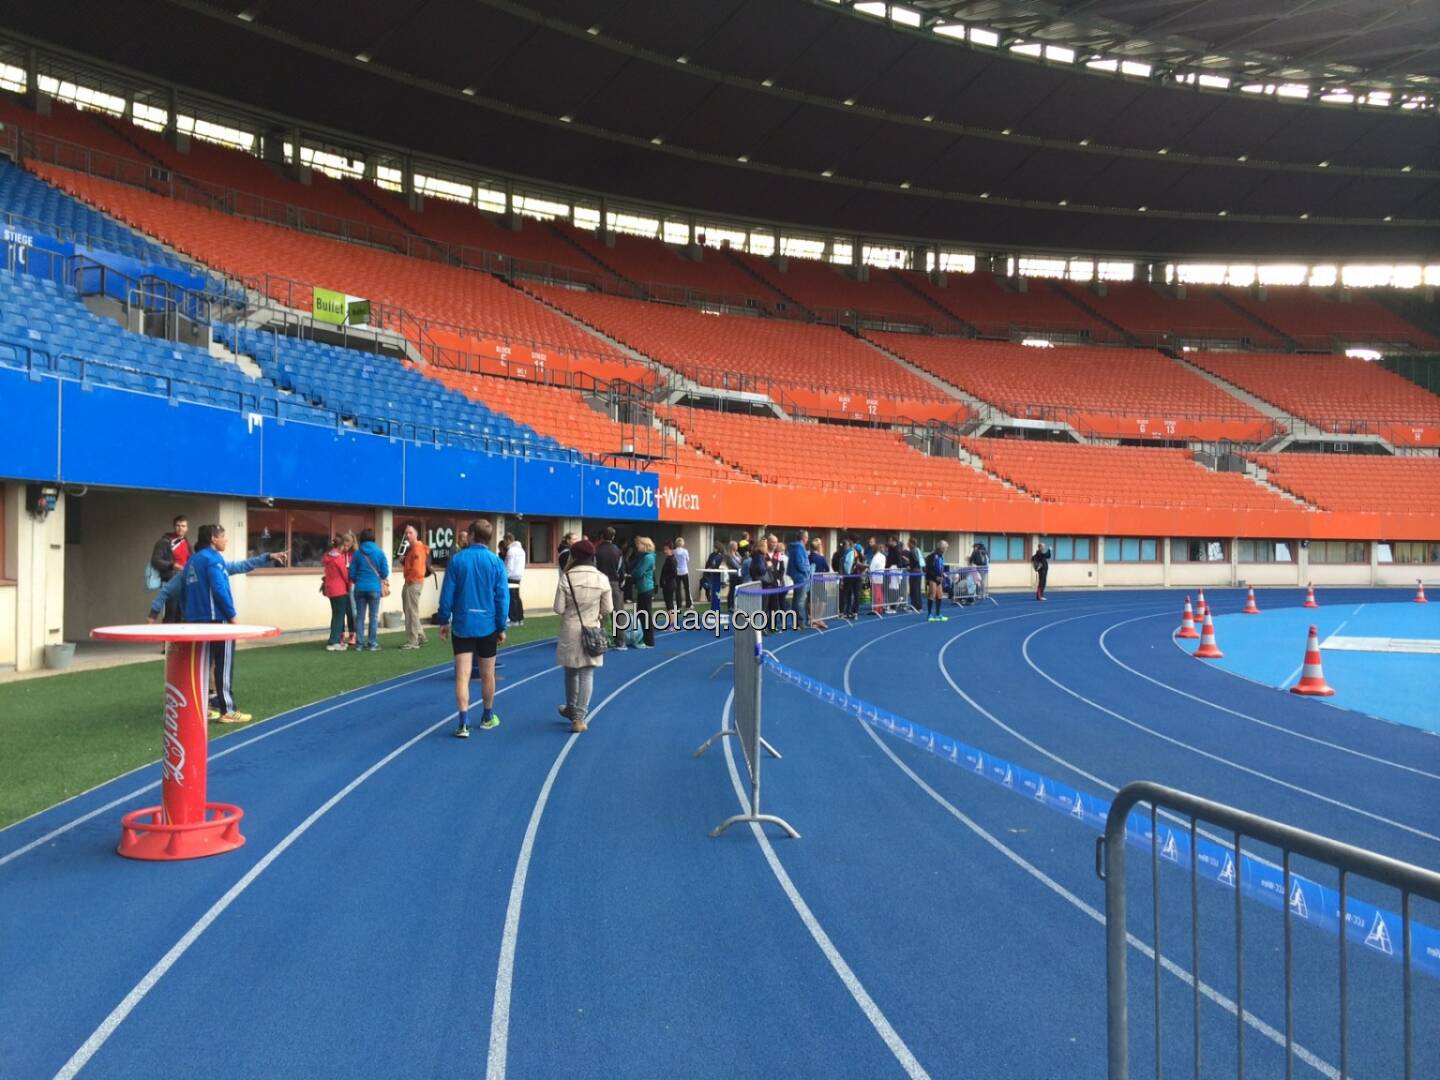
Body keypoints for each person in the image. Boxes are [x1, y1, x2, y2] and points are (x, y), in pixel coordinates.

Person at [172, 524, 287, 723]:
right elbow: (218, 589)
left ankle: (202, 707)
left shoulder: (194, 560)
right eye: (223, 536)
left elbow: (237, 567)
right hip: (217, 621)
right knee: (223, 664)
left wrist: (268, 556)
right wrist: (232, 617)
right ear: (213, 539)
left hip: (196, 621)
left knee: (203, 665)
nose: (226, 540)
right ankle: (228, 710)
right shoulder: (213, 559)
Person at [438, 518, 509, 738]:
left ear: (471, 536)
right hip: (487, 625)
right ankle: (487, 717)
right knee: (488, 674)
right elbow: (502, 598)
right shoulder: (496, 562)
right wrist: (501, 625)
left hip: (462, 625)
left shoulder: (457, 560)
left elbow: (447, 593)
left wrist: (443, 619)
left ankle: (463, 723)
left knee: (462, 675)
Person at [553, 539, 614, 734]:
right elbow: (608, 608)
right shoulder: (602, 579)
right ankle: (579, 718)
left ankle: (571, 709)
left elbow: (558, 608)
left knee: (571, 671)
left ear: (574, 556)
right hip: (592, 629)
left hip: (571, 629)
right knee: (587, 672)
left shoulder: (567, 577)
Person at [350, 528, 390, 651]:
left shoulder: (357, 553)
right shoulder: (380, 552)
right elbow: (385, 572)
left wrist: (359, 581)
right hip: (374, 588)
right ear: (374, 538)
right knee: (373, 617)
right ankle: (372, 644)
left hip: (360, 588)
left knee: (360, 617)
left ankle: (359, 644)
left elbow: (351, 574)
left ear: (361, 539)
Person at [149, 515, 191, 624]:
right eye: (178, 525)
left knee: (182, 615)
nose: (180, 528)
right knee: (170, 615)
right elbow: (155, 560)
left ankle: (178, 641)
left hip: (185, 581)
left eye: (183, 526)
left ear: (187, 528)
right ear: (174, 527)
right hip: (171, 580)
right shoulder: (165, 542)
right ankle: (168, 641)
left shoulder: (186, 542)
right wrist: (172, 565)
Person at [400, 523, 431, 649]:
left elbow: (417, 569)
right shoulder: (413, 548)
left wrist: (410, 580)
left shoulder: (417, 548)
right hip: (411, 581)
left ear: (416, 534)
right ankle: (420, 635)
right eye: (406, 533)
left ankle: (413, 641)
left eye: (410, 533)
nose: (407, 535)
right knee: (410, 610)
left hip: (413, 582)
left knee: (411, 611)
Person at [595, 526, 625, 646]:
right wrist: (621, 585)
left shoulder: (597, 550)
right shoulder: (618, 551)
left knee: (600, 614)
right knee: (617, 613)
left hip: (599, 583)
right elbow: (621, 570)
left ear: (602, 536)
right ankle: (620, 641)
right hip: (613, 583)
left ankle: (601, 640)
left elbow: (594, 567)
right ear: (613, 537)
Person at [322, 537, 351, 650]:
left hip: (330, 589)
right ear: (341, 546)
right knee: (339, 616)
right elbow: (345, 575)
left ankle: (335, 640)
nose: (346, 549)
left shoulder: (327, 557)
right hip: (340, 590)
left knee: (335, 615)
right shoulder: (339, 558)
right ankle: (334, 642)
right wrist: (349, 586)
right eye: (345, 546)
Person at [627, 536, 656, 648]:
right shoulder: (645, 557)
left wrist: (632, 574)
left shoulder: (647, 558)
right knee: (641, 614)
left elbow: (638, 572)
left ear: (645, 546)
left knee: (645, 614)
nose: (637, 546)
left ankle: (649, 640)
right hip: (643, 587)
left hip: (645, 588)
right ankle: (642, 637)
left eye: (639, 544)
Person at [785, 530, 812, 628]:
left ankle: (796, 621)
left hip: (797, 576)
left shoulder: (794, 547)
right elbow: (800, 563)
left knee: (796, 600)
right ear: (804, 538)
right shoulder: (799, 548)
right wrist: (807, 572)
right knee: (800, 600)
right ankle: (801, 622)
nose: (808, 539)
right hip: (801, 577)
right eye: (807, 537)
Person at [503, 531, 526, 628]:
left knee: (511, 599)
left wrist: (504, 575)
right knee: (517, 597)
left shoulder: (511, 551)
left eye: (504, 541)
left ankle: (513, 619)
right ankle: (520, 618)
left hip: (510, 577)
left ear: (508, 540)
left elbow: (509, 566)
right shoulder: (521, 550)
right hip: (518, 576)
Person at [925, 540, 950, 622]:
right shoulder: (932, 556)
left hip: (939, 578)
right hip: (932, 578)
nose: (946, 550)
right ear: (941, 548)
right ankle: (929, 614)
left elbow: (941, 567)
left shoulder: (941, 556)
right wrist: (936, 577)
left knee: (940, 595)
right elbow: (928, 569)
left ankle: (938, 614)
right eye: (945, 548)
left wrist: (942, 576)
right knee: (932, 595)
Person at [659, 542, 679, 627]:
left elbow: (674, 573)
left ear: (671, 549)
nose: (665, 551)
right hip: (668, 584)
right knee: (668, 604)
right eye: (664, 549)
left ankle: (672, 624)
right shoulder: (668, 559)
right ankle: (671, 622)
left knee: (669, 604)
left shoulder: (671, 560)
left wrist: (666, 581)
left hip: (669, 585)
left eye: (666, 549)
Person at [868, 541, 888, 616]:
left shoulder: (875, 557)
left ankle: (877, 609)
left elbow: (872, 568)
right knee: (880, 592)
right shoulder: (883, 556)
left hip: (875, 576)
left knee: (876, 593)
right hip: (880, 576)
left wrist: (869, 571)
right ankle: (880, 607)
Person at [673, 537, 692, 611]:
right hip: (684, 571)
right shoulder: (685, 551)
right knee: (686, 588)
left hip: (677, 572)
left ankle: (678, 605)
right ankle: (688, 604)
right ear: (682, 543)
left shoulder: (674, 551)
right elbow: (687, 559)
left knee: (677, 589)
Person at [907, 538, 925, 612]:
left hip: (914, 572)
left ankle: (915, 606)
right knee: (917, 589)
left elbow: (916, 561)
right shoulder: (918, 550)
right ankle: (919, 606)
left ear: (912, 543)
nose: (907, 544)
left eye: (908, 543)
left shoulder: (912, 551)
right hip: (918, 572)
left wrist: (910, 567)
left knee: (914, 590)